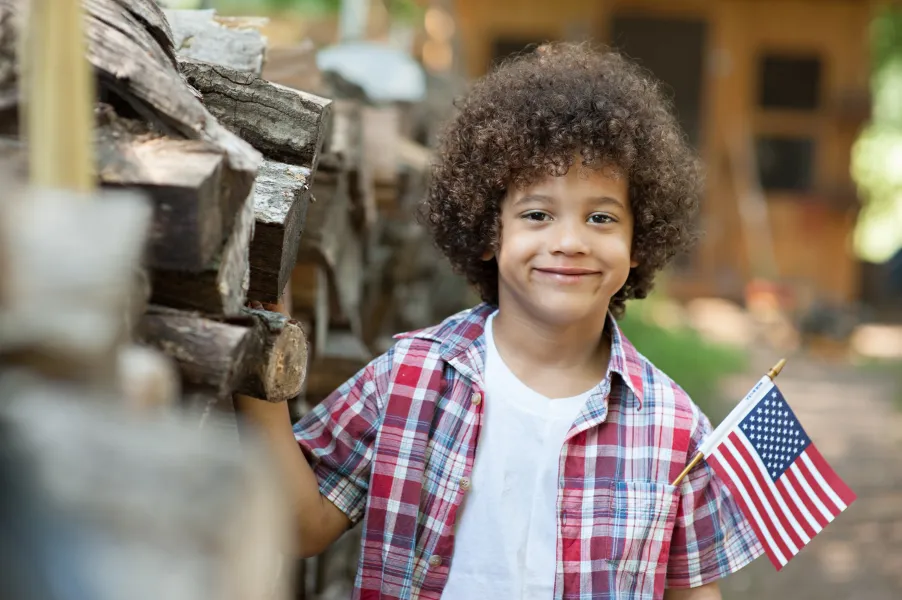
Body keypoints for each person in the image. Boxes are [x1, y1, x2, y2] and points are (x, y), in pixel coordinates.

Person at [236, 43, 763, 600]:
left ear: (638, 242)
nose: (568, 241)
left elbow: (692, 592)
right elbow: (302, 526)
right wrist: (263, 354)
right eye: (537, 214)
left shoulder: (675, 427)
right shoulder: (412, 379)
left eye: (601, 217)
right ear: (490, 232)